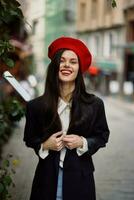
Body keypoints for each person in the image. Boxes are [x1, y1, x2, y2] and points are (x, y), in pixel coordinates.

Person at [23, 36, 110, 200]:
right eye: (62, 61)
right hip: (46, 178)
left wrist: (82, 142)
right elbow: (29, 138)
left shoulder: (95, 104)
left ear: (79, 68)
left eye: (73, 61)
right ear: (55, 65)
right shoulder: (35, 106)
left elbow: (102, 136)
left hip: (80, 180)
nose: (66, 65)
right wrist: (44, 145)